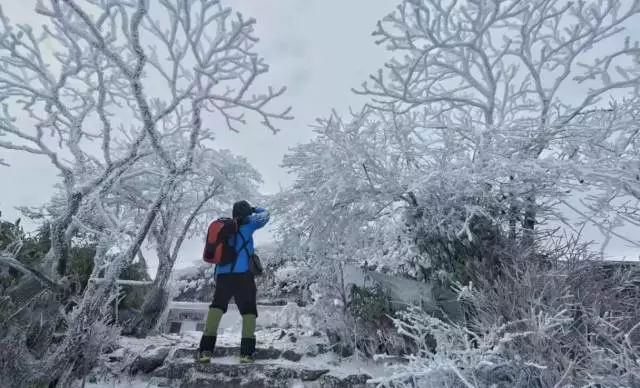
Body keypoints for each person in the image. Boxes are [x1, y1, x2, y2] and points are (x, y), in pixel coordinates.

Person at [197, 200, 270, 364]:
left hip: (223, 275)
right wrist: (254, 208)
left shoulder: (224, 227)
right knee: (249, 310)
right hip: (243, 275)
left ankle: (205, 351)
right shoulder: (249, 224)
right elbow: (266, 215)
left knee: (217, 307)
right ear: (246, 213)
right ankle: (246, 353)